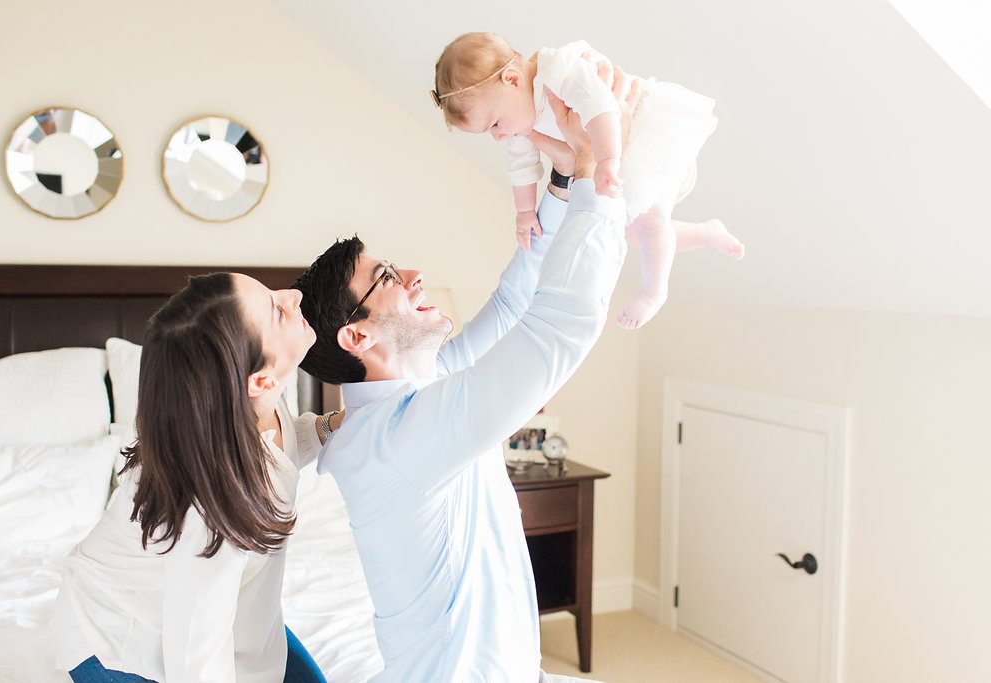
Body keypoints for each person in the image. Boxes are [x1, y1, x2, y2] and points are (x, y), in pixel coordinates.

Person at [292, 66, 635, 682]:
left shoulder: (412, 392)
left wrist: (559, 182)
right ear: (356, 336)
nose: (415, 274)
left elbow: (513, 302)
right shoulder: (404, 436)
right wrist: (596, 177)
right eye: (389, 278)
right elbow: (556, 327)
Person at [52, 272, 339, 683]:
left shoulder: (253, 412)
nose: (294, 295)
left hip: (221, 607)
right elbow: (196, 652)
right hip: (116, 631)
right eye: (277, 310)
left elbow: (280, 453)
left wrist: (331, 427)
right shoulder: (210, 509)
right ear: (261, 380)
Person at [432, 32, 745, 329]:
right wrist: (525, 213)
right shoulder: (520, 120)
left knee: (651, 222)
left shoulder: (557, 69)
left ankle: (653, 291)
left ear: (512, 79)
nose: (498, 136)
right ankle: (706, 232)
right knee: (629, 234)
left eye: (495, 124)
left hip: (640, 133)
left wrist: (609, 160)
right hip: (612, 151)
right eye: (490, 131)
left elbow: (601, 107)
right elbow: (521, 167)